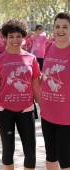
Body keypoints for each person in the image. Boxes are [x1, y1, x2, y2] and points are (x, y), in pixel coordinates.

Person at [0, 19, 41, 170]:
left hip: (26, 110)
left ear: (24, 37)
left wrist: (43, 107)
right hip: (3, 111)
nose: (15, 40)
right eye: (11, 36)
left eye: (18, 36)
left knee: (31, 153)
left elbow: (35, 86)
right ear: (5, 38)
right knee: (8, 151)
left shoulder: (31, 59)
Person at [40, 12, 70, 170]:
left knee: (65, 158)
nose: (61, 30)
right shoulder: (49, 47)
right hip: (48, 112)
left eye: (65, 27)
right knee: (50, 154)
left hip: (66, 115)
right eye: (57, 26)